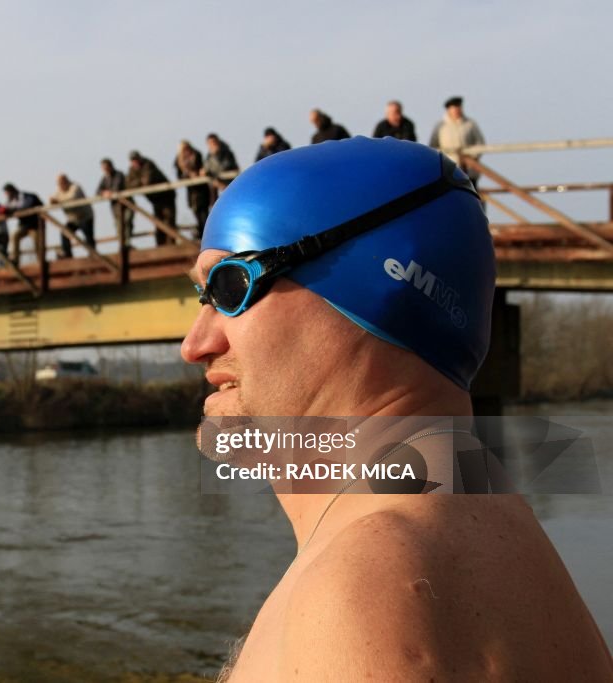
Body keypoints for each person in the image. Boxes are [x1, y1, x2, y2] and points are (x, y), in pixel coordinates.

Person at [180, 137, 613, 681]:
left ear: (385, 291)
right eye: (202, 296)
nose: (194, 344)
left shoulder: (367, 590)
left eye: (230, 285)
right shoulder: (504, 540)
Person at [429, 96, 486, 190]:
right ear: (448, 110)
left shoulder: (470, 124)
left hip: (469, 170)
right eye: (454, 108)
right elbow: (433, 146)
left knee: (471, 196)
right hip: (448, 170)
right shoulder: (440, 126)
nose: (457, 110)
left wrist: (472, 157)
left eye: (459, 107)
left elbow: (480, 143)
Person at [126, 150, 177, 246]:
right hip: (155, 199)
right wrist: (139, 181)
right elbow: (128, 184)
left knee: (169, 220)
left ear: (140, 158)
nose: (135, 162)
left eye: (136, 159)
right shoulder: (132, 169)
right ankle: (161, 245)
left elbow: (147, 181)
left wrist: (138, 182)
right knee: (158, 221)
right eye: (133, 160)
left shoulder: (148, 164)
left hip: (166, 196)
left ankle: (171, 245)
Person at [50, 174, 95, 259]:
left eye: (61, 183)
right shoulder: (59, 191)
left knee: (88, 236)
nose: (60, 185)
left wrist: (58, 201)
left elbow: (73, 198)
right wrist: (52, 201)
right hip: (73, 219)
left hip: (85, 216)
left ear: (66, 181)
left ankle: (93, 254)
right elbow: (52, 200)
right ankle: (67, 254)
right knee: (65, 233)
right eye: (59, 183)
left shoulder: (75, 187)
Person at [174, 140, 211, 239]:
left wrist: (197, 174)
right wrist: (188, 176)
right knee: (196, 212)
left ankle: (206, 234)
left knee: (204, 213)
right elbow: (179, 175)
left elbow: (202, 168)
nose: (186, 151)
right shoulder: (179, 161)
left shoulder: (197, 155)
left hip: (202, 189)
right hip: (191, 191)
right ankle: (201, 233)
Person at [2, 183, 45, 267]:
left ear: (12, 191)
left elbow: (24, 206)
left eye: (7, 193)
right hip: (24, 225)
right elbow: (6, 207)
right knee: (14, 236)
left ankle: (41, 263)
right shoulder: (10, 200)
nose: (7, 195)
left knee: (37, 244)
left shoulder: (26, 196)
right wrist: (5, 210)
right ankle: (15, 260)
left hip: (35, 225)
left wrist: (11, 210)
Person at [97, 158, 135, 247]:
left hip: (127, 204)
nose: (104, 170)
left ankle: (127, 244)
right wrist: (103, 192)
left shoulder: (119, 174)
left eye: (106, 168)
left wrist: (109, 192)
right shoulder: (105, 178)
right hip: (116, 208)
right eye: (103, 168)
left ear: (110, 166)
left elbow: (117, 188)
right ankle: (122, 246)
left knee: (127, 221)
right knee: (119, 226)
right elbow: (98, 191)